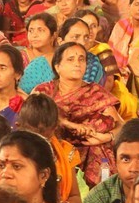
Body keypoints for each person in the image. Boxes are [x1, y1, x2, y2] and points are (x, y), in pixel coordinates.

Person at [34, 41, 123, 187]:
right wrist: (71, 125)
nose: (77, 63)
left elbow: (121, 125)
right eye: (71, 59)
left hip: (90, 147)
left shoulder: (96, 92)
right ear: (58, 66)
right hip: (54, 148)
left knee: (100, 150)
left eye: (81, 59)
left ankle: (100, 198)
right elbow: (33, 117)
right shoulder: (44, 91)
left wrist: (106, 137)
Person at [16, 94, 83, 203]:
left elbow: (76, 199)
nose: (38, 141)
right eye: (32, 134)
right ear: (19, 127)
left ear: (54, 129)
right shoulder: (10, 154)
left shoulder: (65, 152)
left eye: (43, 135)